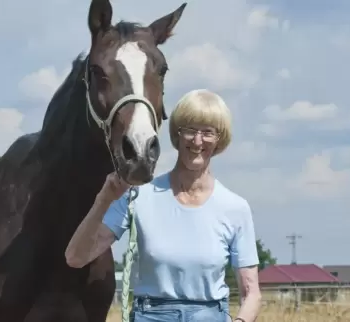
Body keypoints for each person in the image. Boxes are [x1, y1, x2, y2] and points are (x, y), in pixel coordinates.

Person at [65, 89, 262, 322]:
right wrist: (103, 200)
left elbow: (251, 293)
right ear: (177, 135)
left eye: (208, 132)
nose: (198, 141)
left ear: (220, 139)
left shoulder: (235, 208)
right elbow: (76, 257)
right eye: (189, 130)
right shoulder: (138, 195)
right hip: (151, 315)